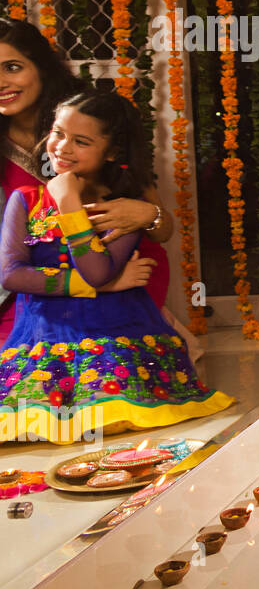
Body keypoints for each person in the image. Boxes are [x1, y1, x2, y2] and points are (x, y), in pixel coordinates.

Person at [0, 91, 232, 444]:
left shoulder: (124, 208)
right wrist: (101, 286)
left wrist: (68, 205)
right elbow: (11, 274)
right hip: (41, 336)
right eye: (58, 132)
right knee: (35, 425)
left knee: (112, 419)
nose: (62, 147)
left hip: (112, 334)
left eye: (81, 141)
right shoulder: (26, 200)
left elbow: (97, 270)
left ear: (111, 152)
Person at [0, 19, 175, 344]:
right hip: (41, 287)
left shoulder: (88, 117)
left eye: (11, 67)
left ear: (41, 66)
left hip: (123, 269)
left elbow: (163, 230)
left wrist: (146, 214)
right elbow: (10, 267)